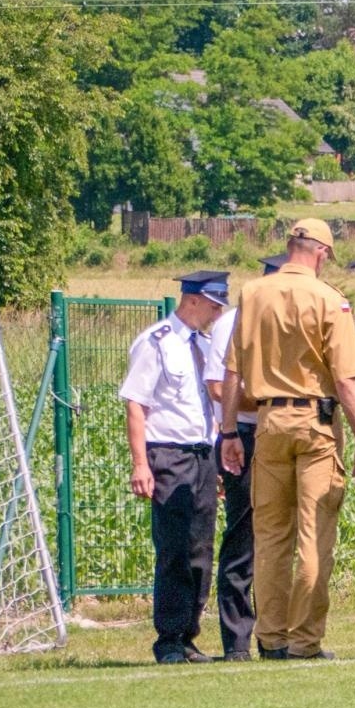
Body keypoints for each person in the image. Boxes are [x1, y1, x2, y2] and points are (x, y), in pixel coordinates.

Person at [219, 219, 355, 661]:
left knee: (269, 538)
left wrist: (229, 431)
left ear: (290, 247)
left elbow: (233, 370)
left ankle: (270, 639)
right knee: (313, 536)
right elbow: (346, 380)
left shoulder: (252, 293)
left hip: (267, 424)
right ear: (322, 252)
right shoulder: (330, 300)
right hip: (315, 424)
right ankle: (304, 641)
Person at [119, 271, 228, 664]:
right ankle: (168, 638)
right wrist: (140, 463)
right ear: (193, 300)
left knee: (201, 548)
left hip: (202, 455)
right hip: (168, 454)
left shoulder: (205, 345)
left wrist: (216, 458)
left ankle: (188, 635)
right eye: (214, 305)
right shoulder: (157, 342)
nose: (217, 313)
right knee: (174, 548)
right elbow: (136, 404)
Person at [201, 252, 286, 660]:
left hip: (285, 433)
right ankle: (236, 640)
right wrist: (270, 401)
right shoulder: (232, 322)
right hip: (248, 434)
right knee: (243, 538)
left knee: (285, 537)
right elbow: (218, 386)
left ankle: (279, 637)